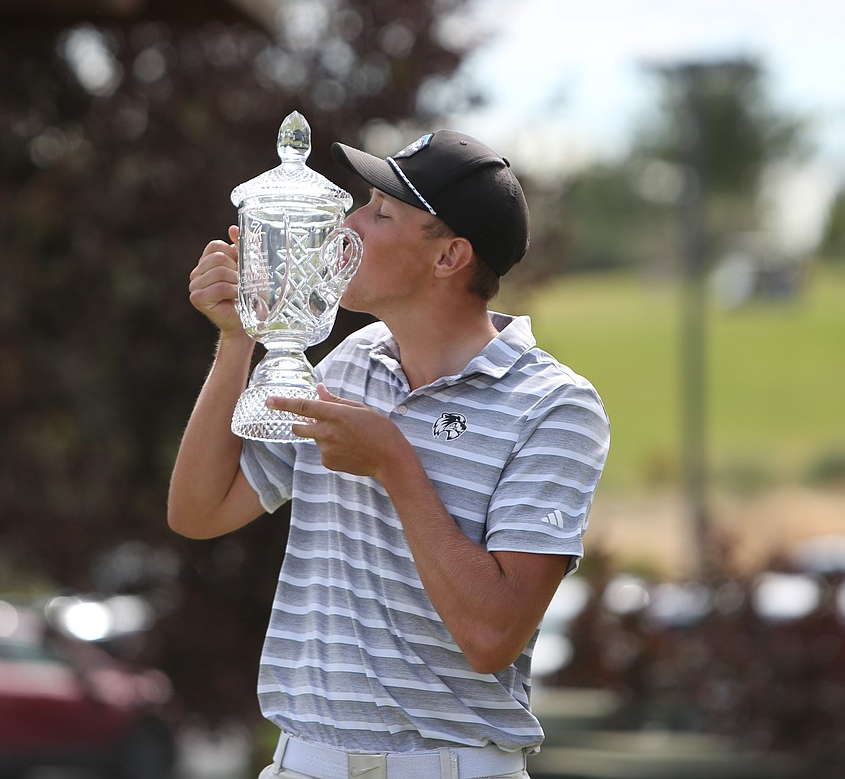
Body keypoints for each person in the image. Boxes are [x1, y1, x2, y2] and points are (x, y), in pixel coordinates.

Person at [168, 129, 610, 779]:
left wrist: (393, 463)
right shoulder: (349, 363)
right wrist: (239, 337)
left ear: (449, 257)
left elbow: (491, 637)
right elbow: (199, 510)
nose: (349, 224)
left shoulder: (554, 406)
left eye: (380, 213)